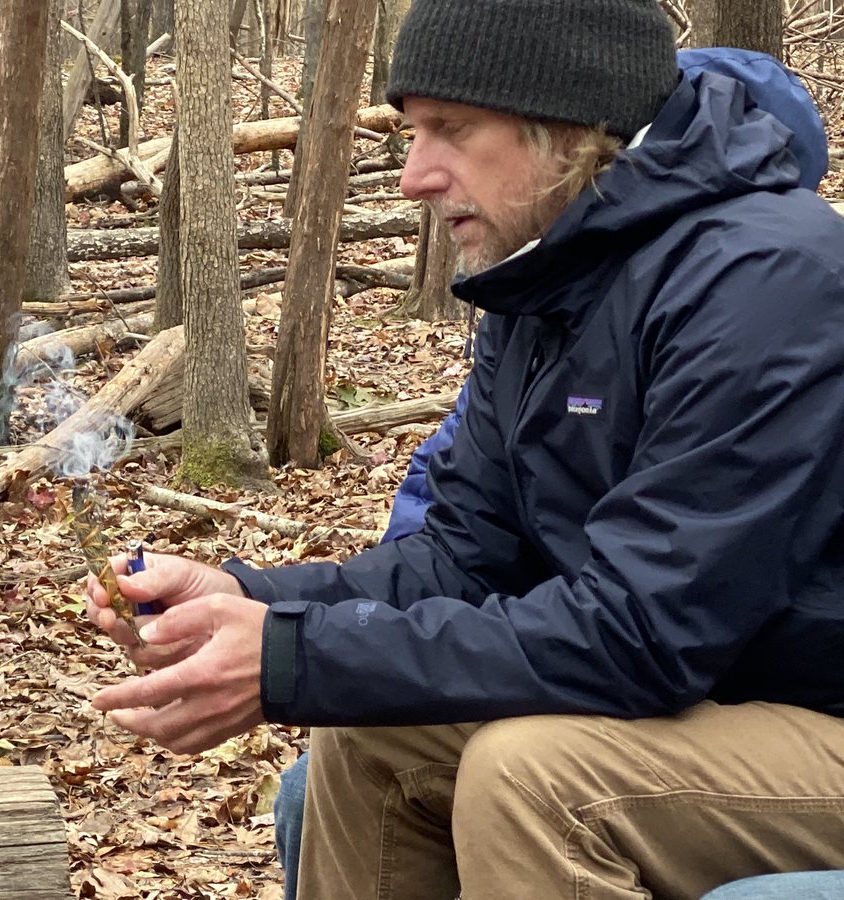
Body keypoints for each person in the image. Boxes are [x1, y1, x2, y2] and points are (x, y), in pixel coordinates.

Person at [87, 0, 844, 895]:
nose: (414, 175)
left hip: (810, 713)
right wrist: (252, 599)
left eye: (450, 129)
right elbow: (461, 558)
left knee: (536, 780)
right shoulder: (548, 278)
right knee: (371, 736)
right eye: (413, 132)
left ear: (570, 125)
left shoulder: (766, 280)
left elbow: (649, 631)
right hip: (709, 700)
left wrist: (296, 656)